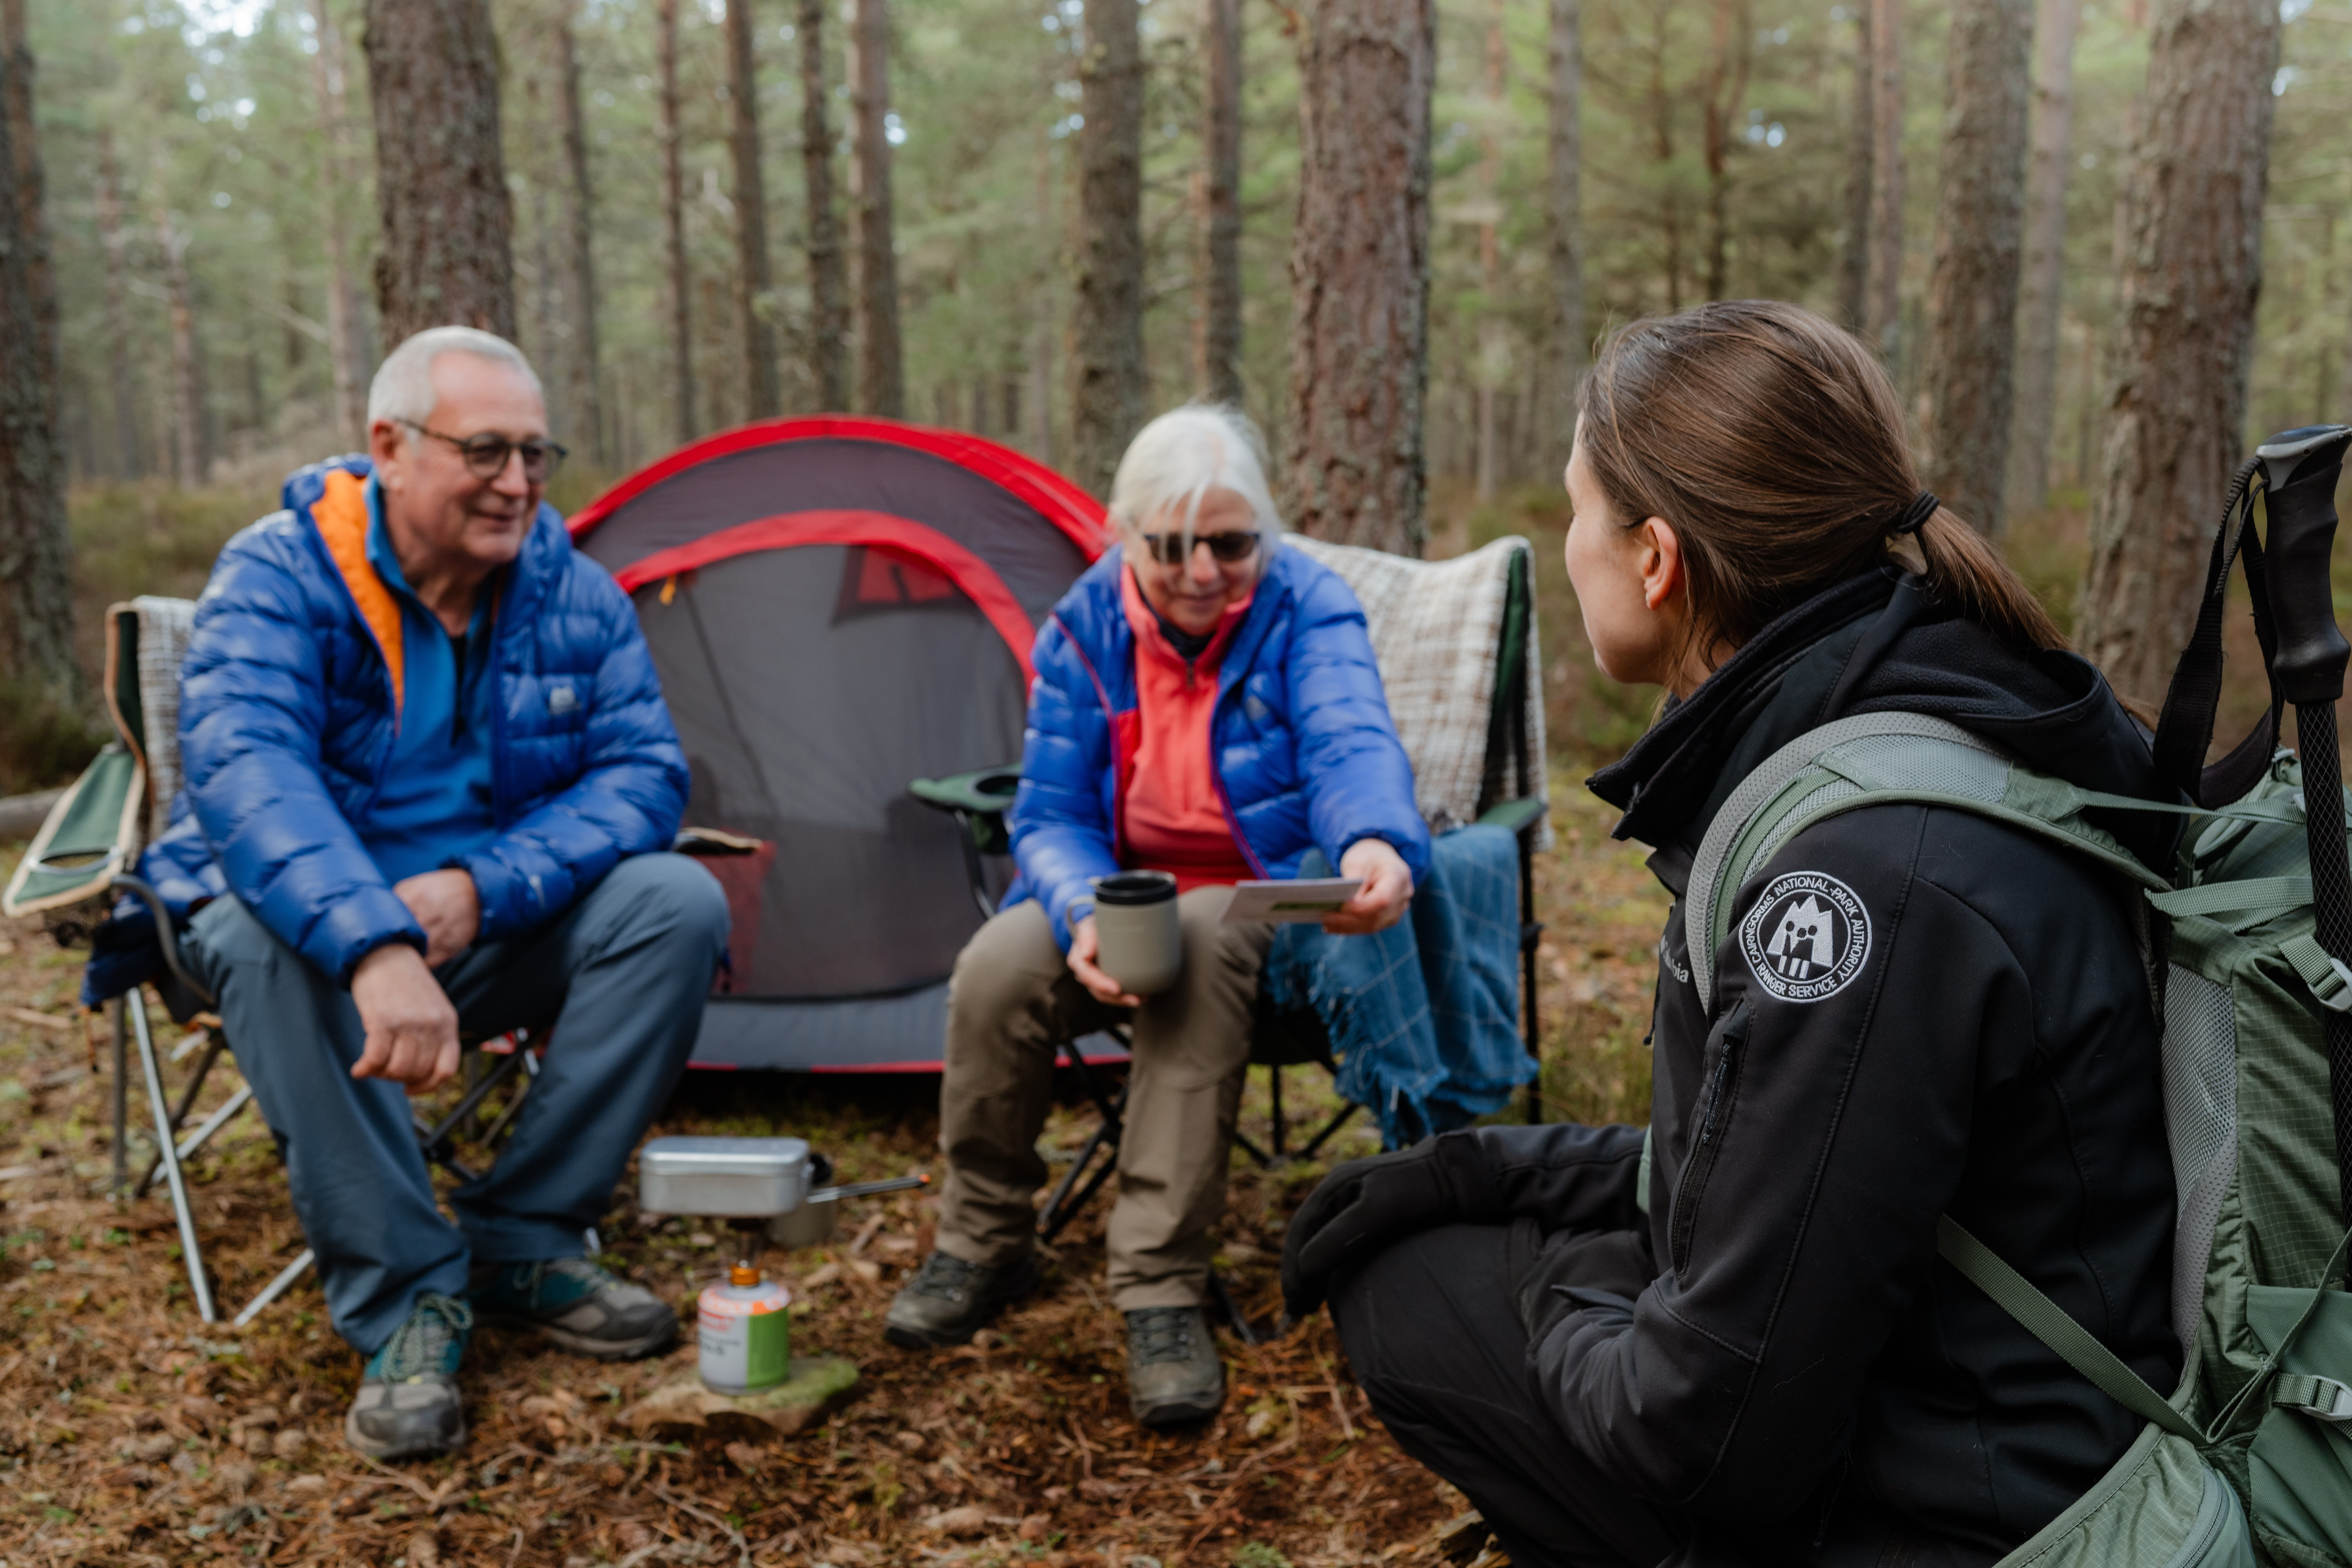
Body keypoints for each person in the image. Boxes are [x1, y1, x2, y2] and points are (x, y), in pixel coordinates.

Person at [1280, 302, 2179, 1565]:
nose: (1571, 545)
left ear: (1657, 556)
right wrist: (1485, 1169)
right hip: (1999, 1394)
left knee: (1413, 1295)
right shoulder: (1941, 713)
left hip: (1987, 1515)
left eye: (1578, 512)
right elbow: (1792, 1153)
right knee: (1466, 1231)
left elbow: (1706, 1439)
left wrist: (1566, 1285)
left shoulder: (1864, 879)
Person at [139, 326, 729, 1461]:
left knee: (674, 899)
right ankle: (408, 1296)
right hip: (302, 932)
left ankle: (524, 1233)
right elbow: (247, 777)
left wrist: (481, 884)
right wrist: (372, 942)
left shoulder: (572, 590)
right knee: (258, 941)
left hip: (484, 924)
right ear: (390, 447)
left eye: (537, 454)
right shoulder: (279, 573)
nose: (518, 483)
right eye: (487, 451)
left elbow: (644, 774)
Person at [885, 405, 1432, 1428]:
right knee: (998, 967)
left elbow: (1350, 739)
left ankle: (1159, 1285)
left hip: (1255, 893)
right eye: (1170, 545)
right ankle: (981, 1240)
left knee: (1193, 936)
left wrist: (1373, 842)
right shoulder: (1084, 626)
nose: (1201, 571)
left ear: (1264, 534)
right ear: (1120, 534)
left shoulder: (1310, 608)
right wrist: (1086, 911)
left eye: (1230, 542)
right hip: (1118, 885)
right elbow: (1048, 813)